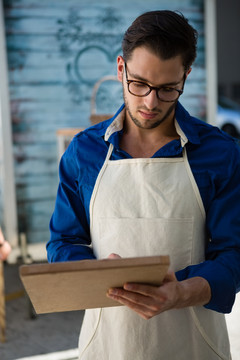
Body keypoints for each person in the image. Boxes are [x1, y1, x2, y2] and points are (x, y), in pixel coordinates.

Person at [47, 10, 240, 359]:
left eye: (168, 89)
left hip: (193, 343)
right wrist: (95, 274)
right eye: (139, 84)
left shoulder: (221, 154)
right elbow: (64, 241)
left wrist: (182, 292)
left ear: (186, 76)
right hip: (106, 343)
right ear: (121, 69)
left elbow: (234, 253)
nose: (150, 102)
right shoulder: (84, 153)